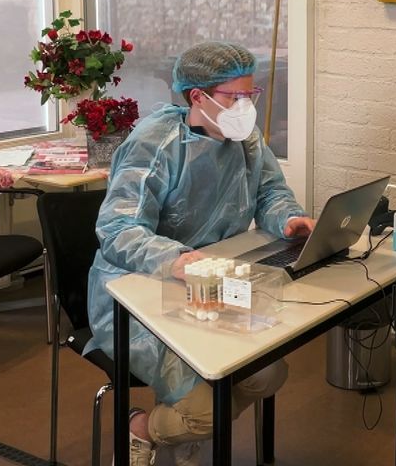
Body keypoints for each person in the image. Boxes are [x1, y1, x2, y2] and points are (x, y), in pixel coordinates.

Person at [86, 41, 314, 466]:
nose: (245, 106)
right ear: (198, 96)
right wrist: (175, 259)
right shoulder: (155, 143)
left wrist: (288, 219)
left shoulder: (243, 138)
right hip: (137, 291)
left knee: (268, 372)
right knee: (209, 408)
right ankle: (142, 428)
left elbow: (269, 191)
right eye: (236, 97)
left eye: (251, 95)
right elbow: (117, 229)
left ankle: (174, 431)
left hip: (210, 282)